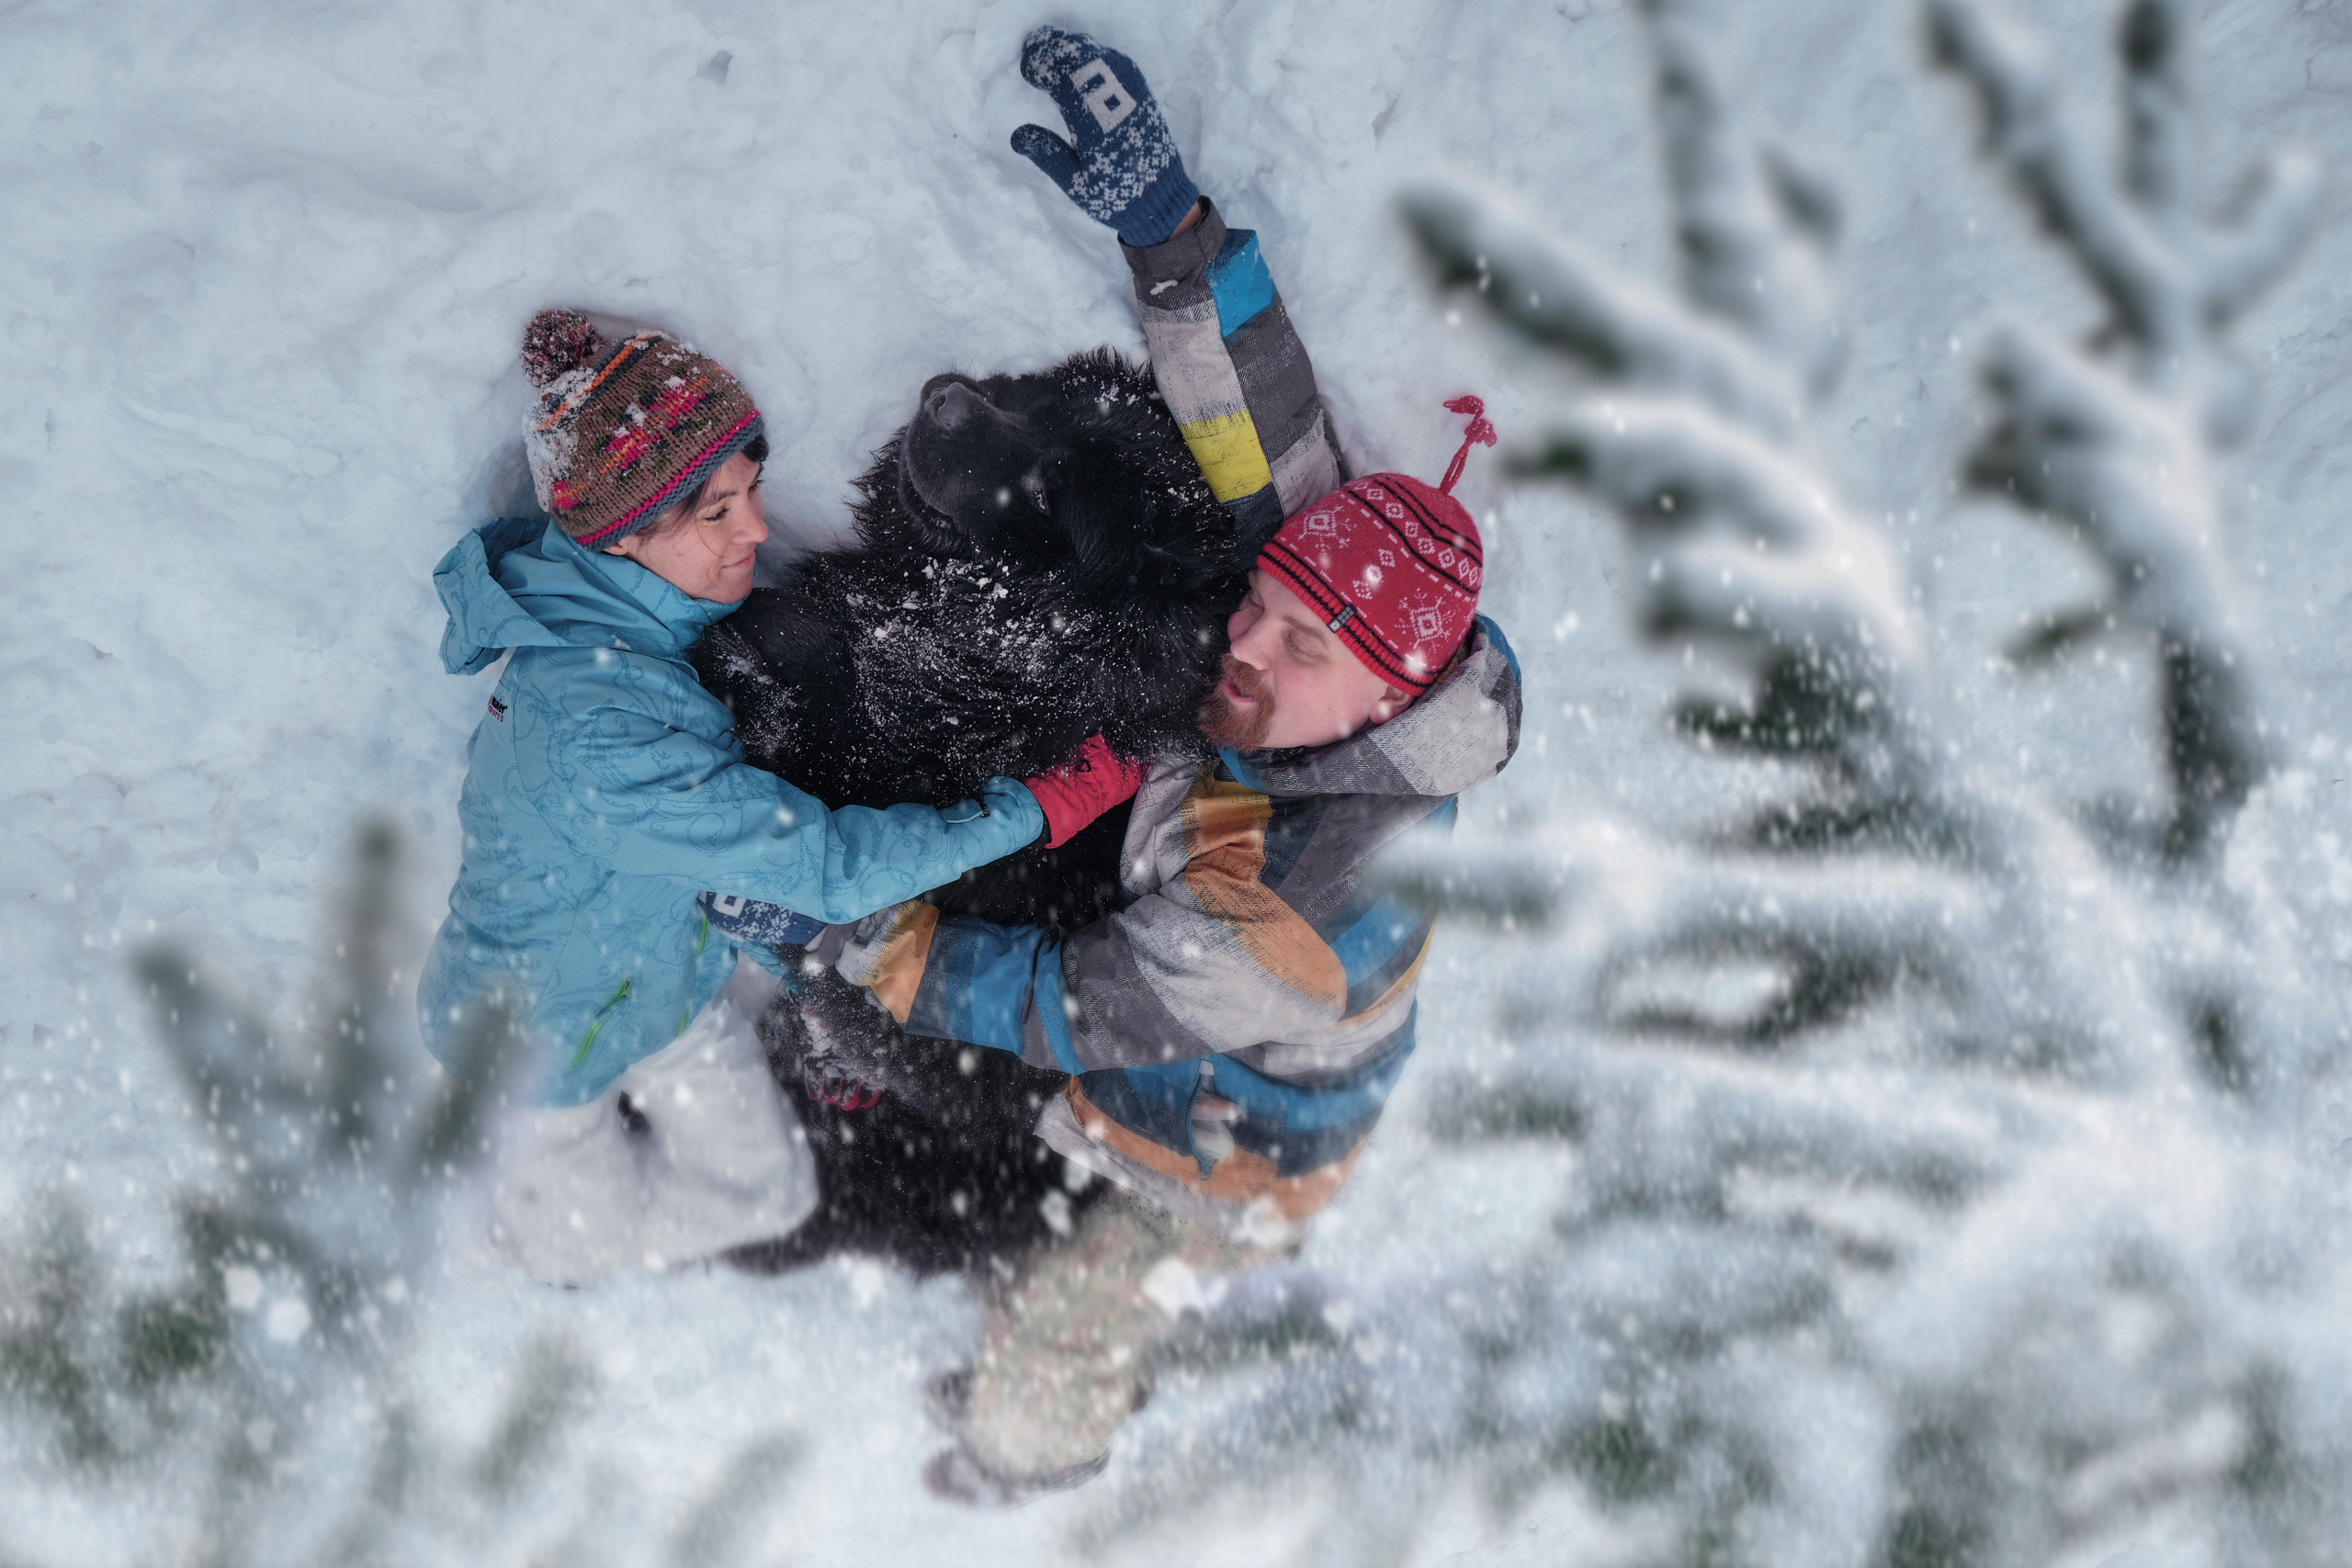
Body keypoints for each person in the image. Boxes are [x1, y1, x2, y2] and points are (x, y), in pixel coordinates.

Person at [804, 28, 1525, 1500]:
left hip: (1229, 1144)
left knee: (1074, 1305)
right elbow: (1266, 429)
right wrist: (1170, 230)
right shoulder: (1341, 642)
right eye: (1265, 605)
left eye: (1297, 646)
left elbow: (1082, 1005)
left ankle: (1023, 1457)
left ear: (1387, 697)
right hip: (1198, 968)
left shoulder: (1305, 885)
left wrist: (880, 951)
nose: (1248, 645)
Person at [417, 310, 1136, 1285]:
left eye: (751, 492)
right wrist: (1034, 808)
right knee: (575, 1258)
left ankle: (587, 1227)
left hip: (664, 991)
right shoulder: (597, 729)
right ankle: (534, 1245)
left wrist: (810, 995)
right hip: (530, 1055)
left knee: (775, 1197)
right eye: (717, 512)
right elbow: (825, 866)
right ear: (624, 536)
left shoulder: (629, 645)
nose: (755, 527)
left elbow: (720, 864)